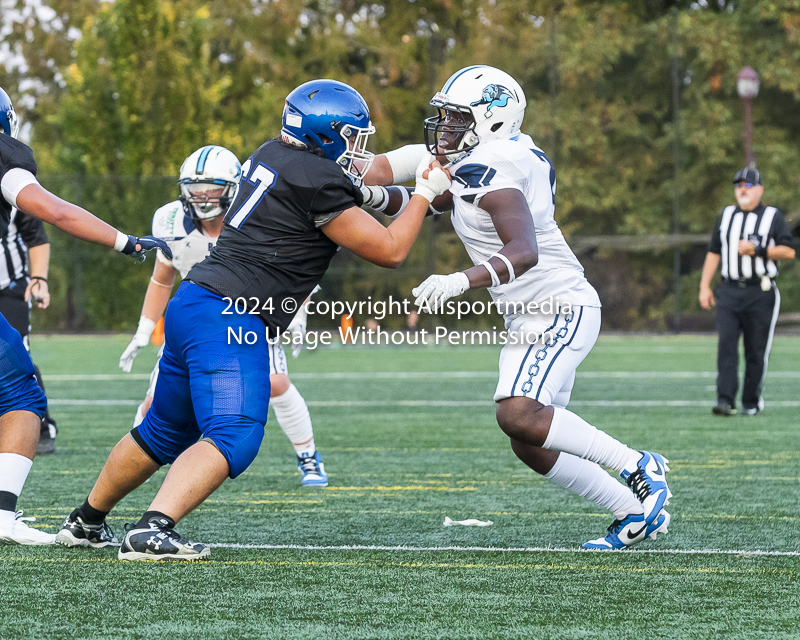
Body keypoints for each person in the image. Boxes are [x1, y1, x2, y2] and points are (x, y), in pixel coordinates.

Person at [56, 79, 451, 560]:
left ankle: (85, 521)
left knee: (162, 431)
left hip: (194, 301)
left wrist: (413, 188)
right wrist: (425, 195)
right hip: (232, 314)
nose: (356, 146)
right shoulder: (319, 179)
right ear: (325, 134)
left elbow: (365, 185)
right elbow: (390, 250)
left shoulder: (273, 155)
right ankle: (152, 530)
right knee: (235, 433)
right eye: (351, 135)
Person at [375, 65, 672, 550]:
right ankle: (631, 511)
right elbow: (429, 199)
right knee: (528, 438)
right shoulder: (494, 158)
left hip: (557, 306)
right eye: (445, 117)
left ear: (492, 119)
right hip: (530, 313)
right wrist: (366, 194)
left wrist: (460, 279)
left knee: (518, 414)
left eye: (456, 118)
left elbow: (523, 250)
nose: (446, 128)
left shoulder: (495, 165)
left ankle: (638, 464)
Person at [0, 86, 171, 545]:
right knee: (21, 397)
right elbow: (53, 210)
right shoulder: (6, 157)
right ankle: (0, 514)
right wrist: (125, 241)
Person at [111, 145, 329, 489]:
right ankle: (140, 463)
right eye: (195, 189)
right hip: (199, 322)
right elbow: (161, 278)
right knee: (155, 402)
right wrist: (143, 330)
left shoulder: (259, 219)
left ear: (233, 188)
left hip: (252, 316)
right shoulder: (170, 222)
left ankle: (308, 455)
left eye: (212, 189)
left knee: (276, 383)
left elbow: (297, 274)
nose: (203, 197)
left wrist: (297, 319)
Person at [699, 168, 795, 416]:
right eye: (739, 185)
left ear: (760, 190)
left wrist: (758, 251)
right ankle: (725, 399)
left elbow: (789, 251)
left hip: (760, 291)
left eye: (748, 185)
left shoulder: (772, 216)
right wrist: (704, 285)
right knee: (727, 345)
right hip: (729, 289)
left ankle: (751, 401)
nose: (743, 189)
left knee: (755, 349)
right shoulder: (727, 215)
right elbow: (714, 251)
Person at [0, 208, 59, 454]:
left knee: (16, 358)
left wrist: (40, 279)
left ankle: (43, 427)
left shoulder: (10, 186)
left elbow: (37, 238)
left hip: (9, 290)